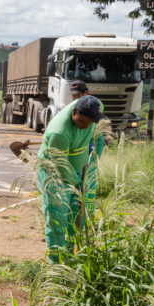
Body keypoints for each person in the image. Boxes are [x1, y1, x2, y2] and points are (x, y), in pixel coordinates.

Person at [36, 95, 105, 263]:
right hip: (54, 174)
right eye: (82, 122)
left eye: (90, 123)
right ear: (74, 113)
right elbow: (62, 167)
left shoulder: (96, 108)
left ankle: (71, 257)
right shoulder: (59, 133)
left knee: (78, 216)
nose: (86, 126)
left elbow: (98, 139)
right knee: (57, 220)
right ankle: (57, 264)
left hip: (79, 171)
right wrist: (78, 183)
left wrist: (91, 167)